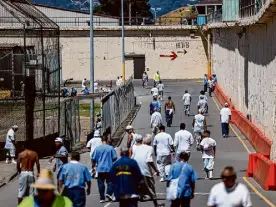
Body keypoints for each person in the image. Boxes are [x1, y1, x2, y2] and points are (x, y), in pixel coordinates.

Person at [131, 135, 160, 206]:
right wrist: (156, 170)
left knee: (136, 187)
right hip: (145, 170)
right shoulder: (150, 148)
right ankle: (155, 203)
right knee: (151, 187)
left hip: (136, 170)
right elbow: (149, 160)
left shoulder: (135, 148)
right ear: (150, 142)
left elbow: (132, 158)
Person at [92, 136, 117, 203]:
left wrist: (93, 166)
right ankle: (108, 193)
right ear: (107, 140)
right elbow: (115, 157)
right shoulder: (110, 148)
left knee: (100, 183)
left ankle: (102, 198)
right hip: (109, 167)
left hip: (100, 168)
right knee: (110, 182)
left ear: (101, 140)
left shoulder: (97, 149)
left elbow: (93, 158)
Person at [17, 140, 40, 204]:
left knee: (21, 191)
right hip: (31, 173)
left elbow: (18, 164)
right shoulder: (34, 153)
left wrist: (19, 171)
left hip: (23, 172)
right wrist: (38, 172)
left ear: (24, 146)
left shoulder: (21, 154)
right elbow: (38, 164)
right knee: (31, 192)